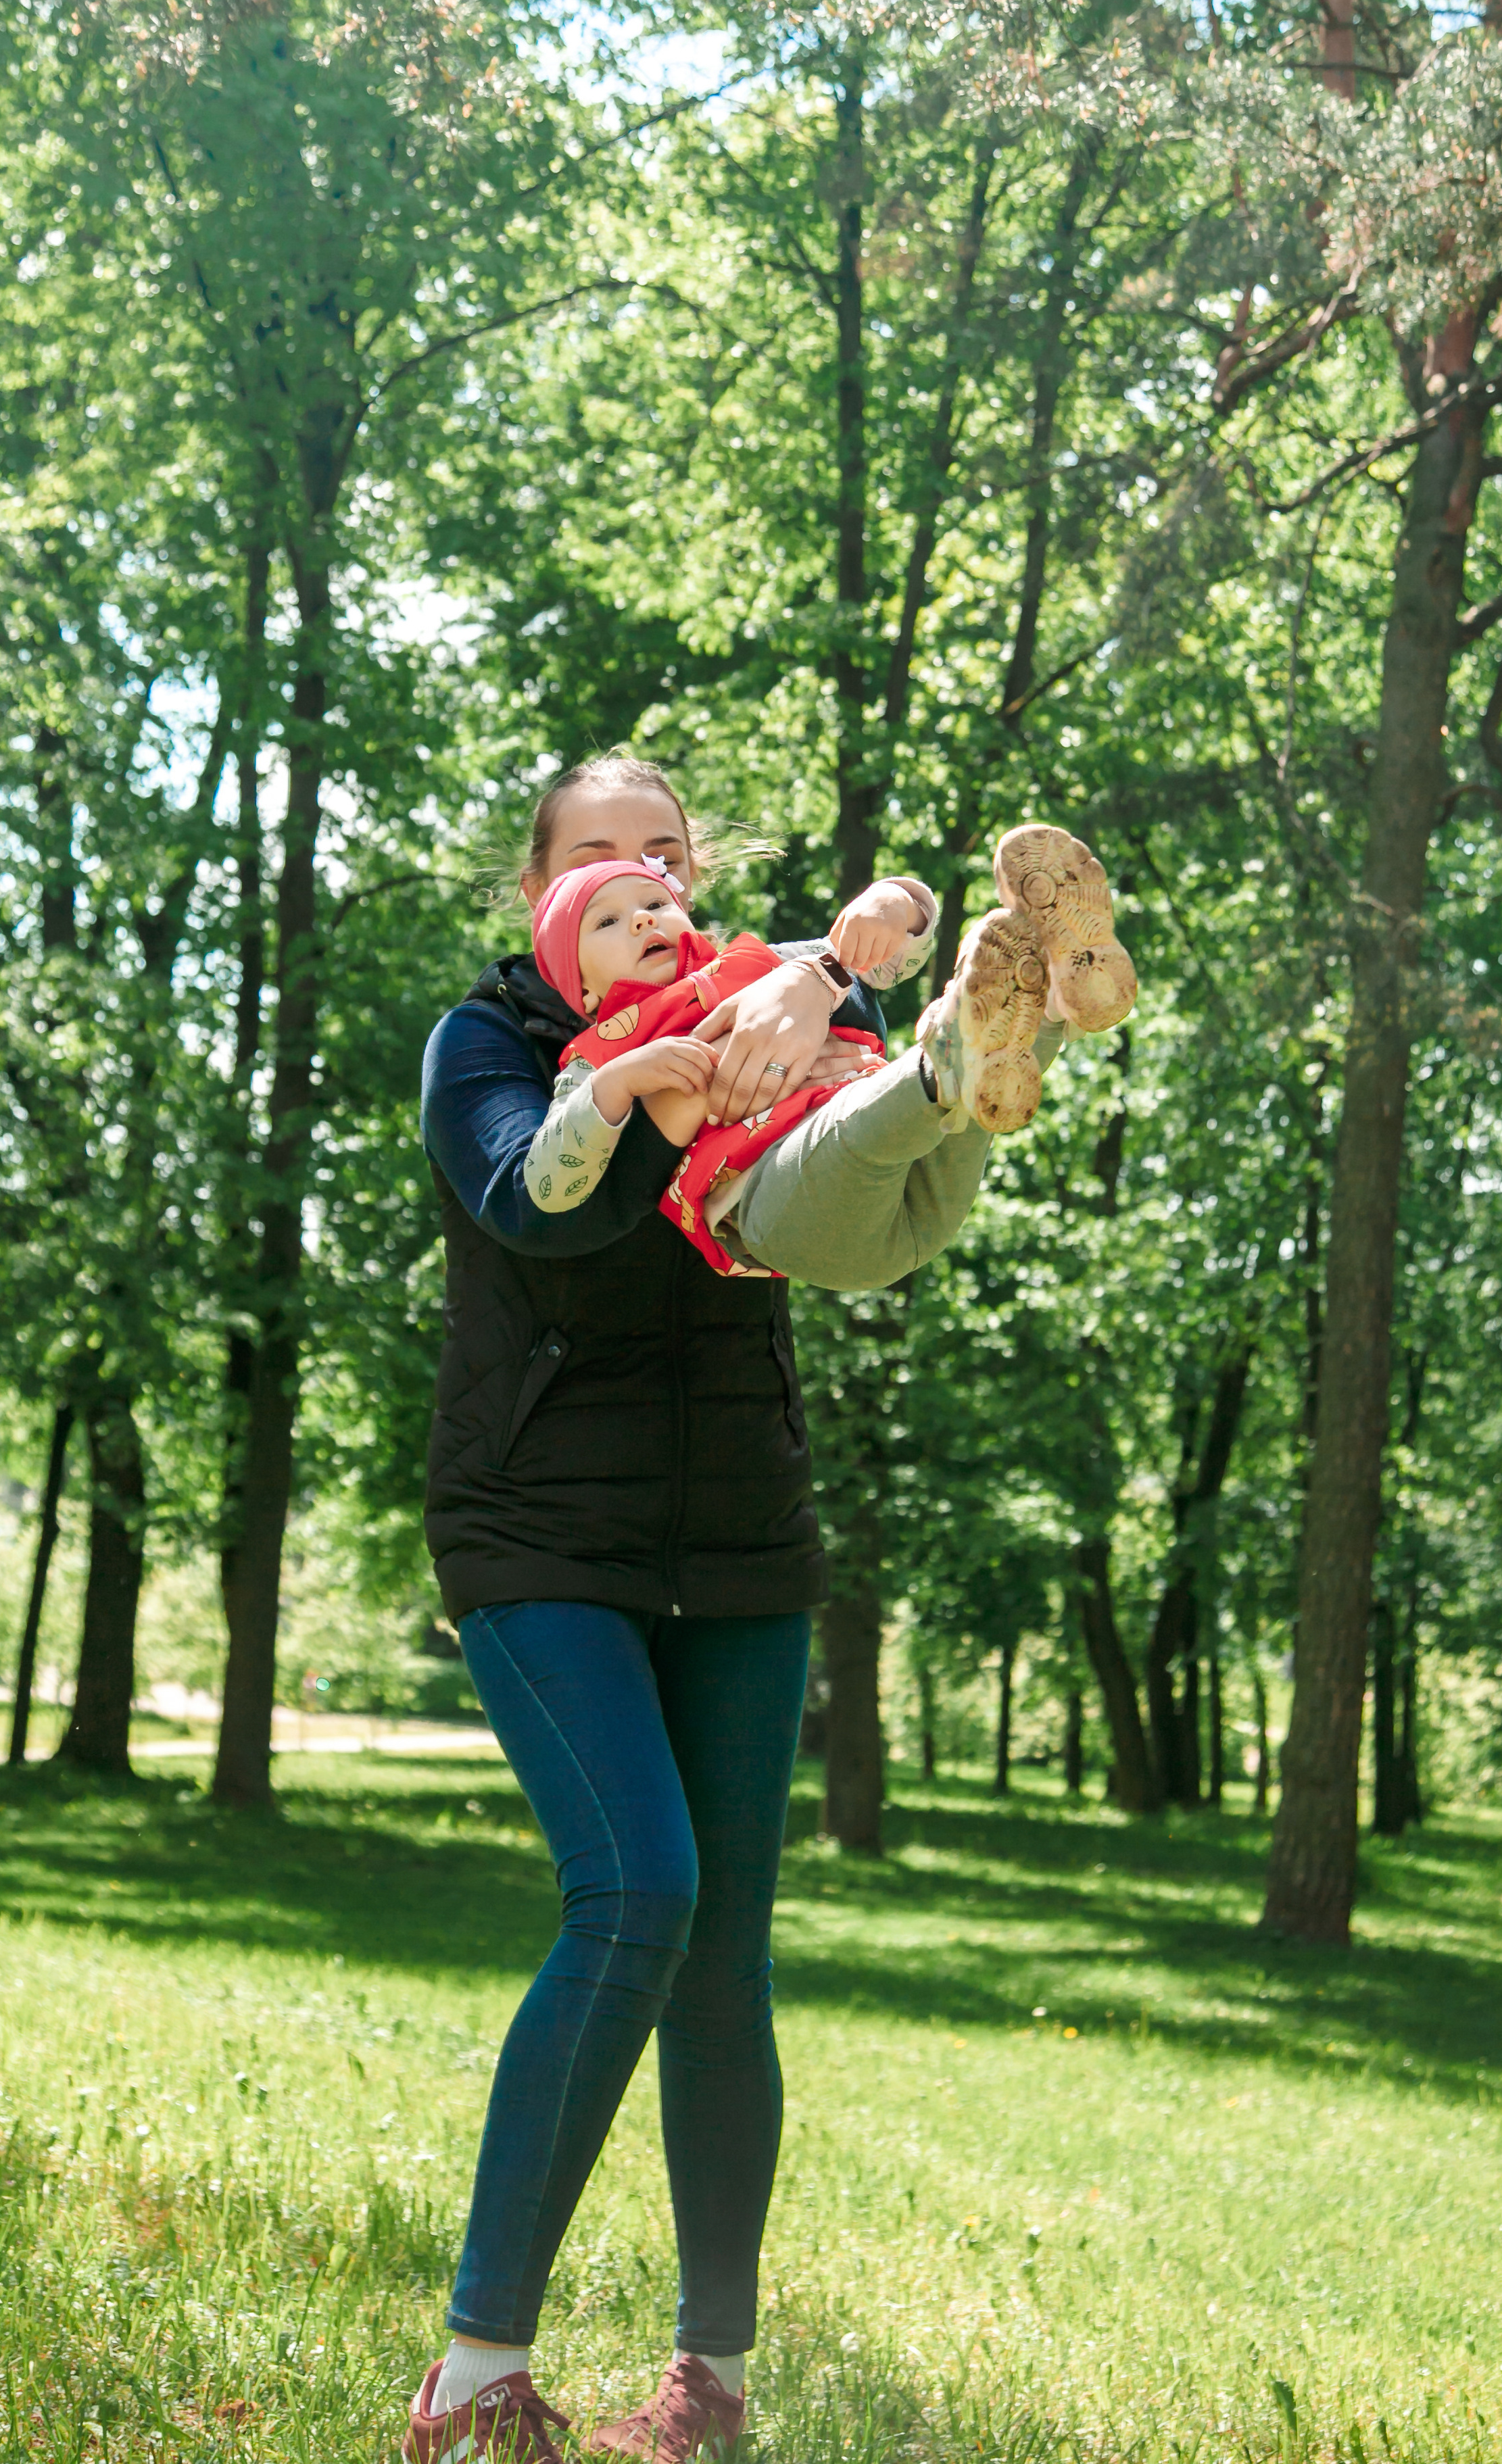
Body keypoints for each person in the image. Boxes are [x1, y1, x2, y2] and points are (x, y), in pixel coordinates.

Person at [410, 756, 1132, 2463]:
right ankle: (471, 2374)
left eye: (660, 853)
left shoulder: (752, 986)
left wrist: (820, 995)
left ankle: (705, 2389)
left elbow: (816, 1213)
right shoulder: (489, 1041)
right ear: (538, 890)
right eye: (599, 858)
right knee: (635, 1888)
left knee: (722, 1957)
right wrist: (651, 1067)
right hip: (535, 1532)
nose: (637, 877)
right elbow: (532, 1202)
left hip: (736, 1525)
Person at [517, 831, 1133, 1283]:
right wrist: (619, 1082)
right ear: (583, 990)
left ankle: (1056, 992)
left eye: (655, 903)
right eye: (606, 921)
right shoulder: (599, 1053)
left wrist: (892, 903)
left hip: (914, 1150)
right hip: (783, 1207)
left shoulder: (753, 967)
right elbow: (548, 1185)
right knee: (854, 1132)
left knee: (980, 1100)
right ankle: (946, 1057)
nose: (640, 921)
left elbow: (883, 958)